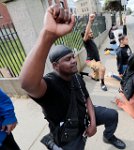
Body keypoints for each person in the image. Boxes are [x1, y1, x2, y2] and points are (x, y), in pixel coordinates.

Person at [20, 4, 126, 150]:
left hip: (84, 115)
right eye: (67, 59)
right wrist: (47, 35)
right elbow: (27, 84)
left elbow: (86, 98)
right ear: (56, 65)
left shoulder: (75, 76)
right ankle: (52, 142)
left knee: (112, 115)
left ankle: (108, 137)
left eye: (73, 57)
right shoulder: (50, 84)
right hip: (68, 132)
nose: (74, 61)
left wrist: (93, 123)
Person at [80, 14, 107, 91]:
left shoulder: (91, 40)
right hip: (90, 61)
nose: (91, 33)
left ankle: (83, 74)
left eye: (91, 32)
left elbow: (95, 52)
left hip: (96, 61)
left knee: (96, 77)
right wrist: (90, 21)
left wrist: (99, 61)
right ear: (85, 35)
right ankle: (102, 84)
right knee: (102, 69)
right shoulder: (86, 41)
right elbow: (86, 33)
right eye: (90, 33)